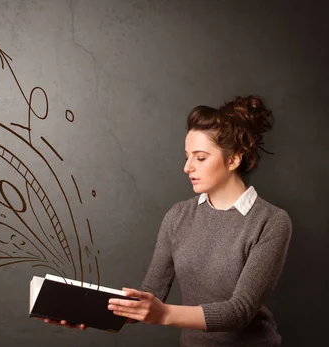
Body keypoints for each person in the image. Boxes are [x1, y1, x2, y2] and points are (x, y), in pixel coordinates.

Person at [41, 95, 292, 346]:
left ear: (233, 159)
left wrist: (165, 314)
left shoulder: (271, 221)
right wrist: (85, 311)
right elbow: (150, 297)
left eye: (200, 157)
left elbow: (240, 312)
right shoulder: (178, 216)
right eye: (187, 156)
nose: (187, 167)